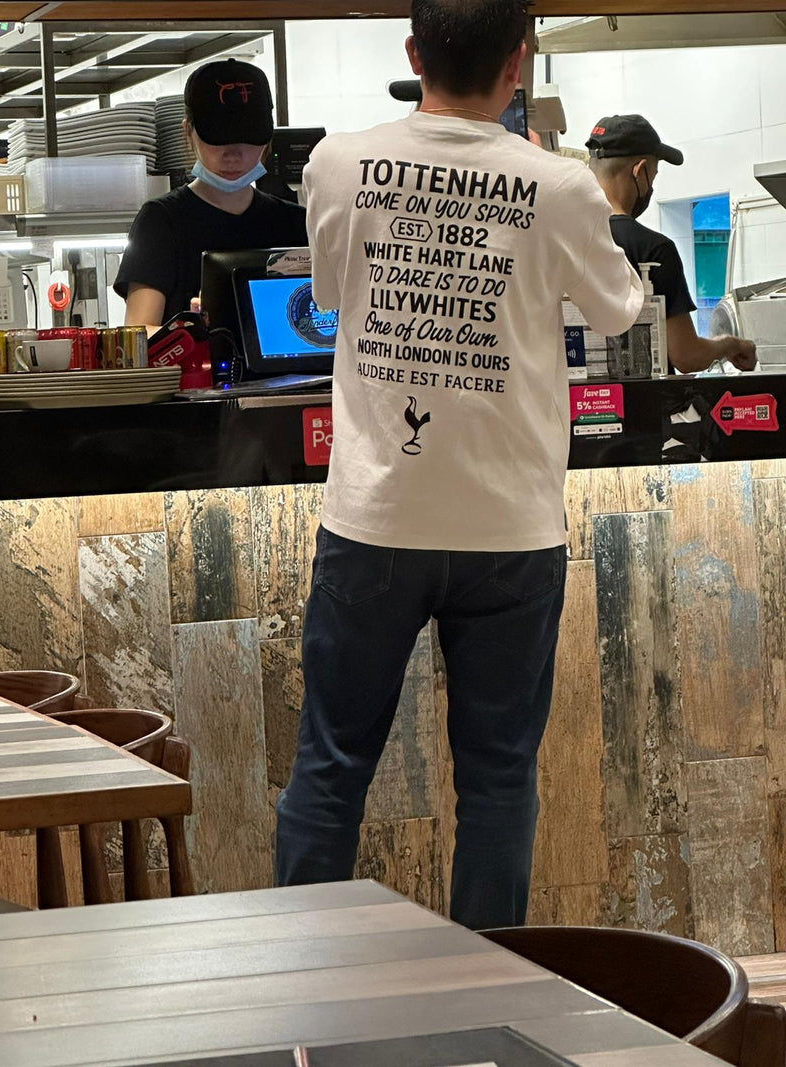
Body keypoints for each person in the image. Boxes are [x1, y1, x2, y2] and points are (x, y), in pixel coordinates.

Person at [274, 0, 644, 930]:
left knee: (331, 764)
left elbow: (329, 292)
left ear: (413, 53)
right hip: (510, 528)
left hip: (375, 517)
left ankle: (298, 986)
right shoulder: (560, 185)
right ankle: (489, 992)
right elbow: (618, 310)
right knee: (498, 778)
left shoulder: (339, 163)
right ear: (518, 64)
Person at [114, 58, 307, 333]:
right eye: (218, 140)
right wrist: (193, 329)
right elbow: (138, 332)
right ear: (188, 132)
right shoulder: (161, 222)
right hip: (193, 363)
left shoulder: (295, 223)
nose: (233, 155)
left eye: (248, 139)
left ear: (267, 140)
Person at [586, 114, 756, 374]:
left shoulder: (564, 236)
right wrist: (730, 344)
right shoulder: (654, 249)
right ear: (639, 171)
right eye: (653, 176)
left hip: (573, 398)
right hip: (644, 399)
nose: (651, 186)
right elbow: (686, 356)